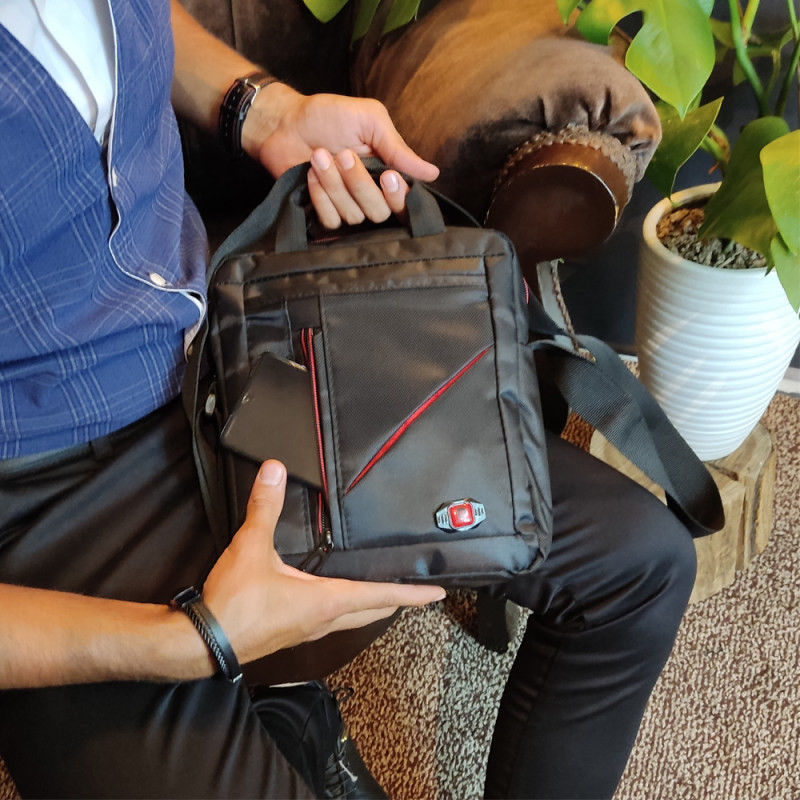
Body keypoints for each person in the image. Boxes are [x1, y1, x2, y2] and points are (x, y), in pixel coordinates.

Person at [0, 1, 698, 798]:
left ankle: (281, 711)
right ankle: (276, 713)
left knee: (640, 561)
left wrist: (262, 109)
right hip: (43, 508)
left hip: (223, 365)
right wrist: (191, 642)